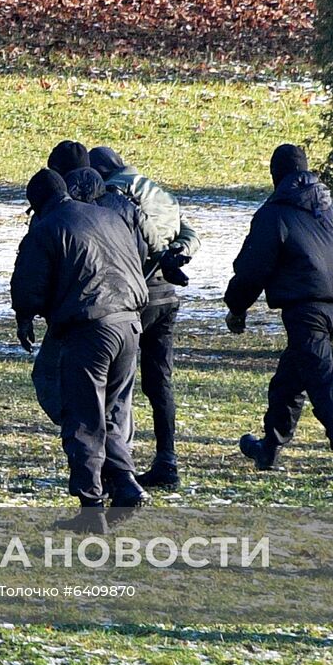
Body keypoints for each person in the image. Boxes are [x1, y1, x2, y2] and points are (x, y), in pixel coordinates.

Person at [224, 143, 333, 483]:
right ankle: (270, 446)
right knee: (290, 380)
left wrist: (236, 307)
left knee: (320, 380)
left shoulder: (274, 214)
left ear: (275, 176)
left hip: (306, 309)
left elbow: (253, 269)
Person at [12, 168, 149, 532]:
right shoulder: (110, 215)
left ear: (37, 204)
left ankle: (92, 509)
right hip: (131, 323)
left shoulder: (47, 228)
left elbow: (29, 285)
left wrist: (25, 317)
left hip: (91, 329)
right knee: (110, 411)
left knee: (83, 416)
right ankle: (127, 484)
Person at [90, 146, 200, 488]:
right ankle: (167, 459)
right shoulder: (159, 192)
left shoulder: (112, 192)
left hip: (134, 294)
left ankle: (118, 465)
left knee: (117, 382)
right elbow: (191, 235)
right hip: (167, 295)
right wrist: (177, 254)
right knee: (160, 381)